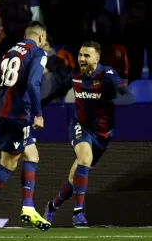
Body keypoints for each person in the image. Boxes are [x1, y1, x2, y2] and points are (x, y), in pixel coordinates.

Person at [0, 21, 51, 231]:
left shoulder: (9, 53)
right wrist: (38, 113)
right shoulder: (38, 53)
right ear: (41, 38)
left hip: (4, 112)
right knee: (8, 164)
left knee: (32, 155)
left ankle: (25, 206)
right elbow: (34, 83)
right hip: (18, 113)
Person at [41, 41, 134, 226]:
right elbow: (59, 90)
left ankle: (52, 206)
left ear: (97, 58)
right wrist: (40, 105)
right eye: (80, 55)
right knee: (84, 159)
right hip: (80, 126)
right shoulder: (75, 74)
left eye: (86, 56)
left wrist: (111, 102)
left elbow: (129, 97)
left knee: (73, 177)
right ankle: (78, 214)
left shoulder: (107, 75)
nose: (81, 59)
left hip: (102, 135)